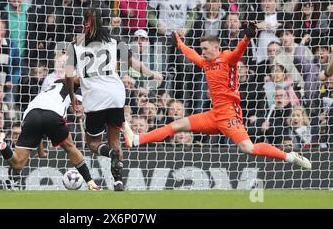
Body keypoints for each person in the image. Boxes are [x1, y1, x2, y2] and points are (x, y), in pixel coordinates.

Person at [123, 26, 312, 170]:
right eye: (202, 49)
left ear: (215, 47)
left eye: (205, 49)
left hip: (229, 116)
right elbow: (192, 55)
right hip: (214, 115)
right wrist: (179, 42)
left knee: (249, 148)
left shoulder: (228, 58)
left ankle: (289, 156)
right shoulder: (206, 63)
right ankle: (137, 139)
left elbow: (239, 50)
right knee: (177, 125)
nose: (203, 53)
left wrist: (247, 37)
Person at [65, 8, 163, 191]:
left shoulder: (74, 45)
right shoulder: (116, 42)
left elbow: (69, 75)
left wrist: (73, 99)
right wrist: (152, 73)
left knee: (93, 143)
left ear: (86, 23)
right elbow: (134, 63)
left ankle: (110, 154)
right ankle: (118, 181)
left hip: (95, 97)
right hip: (117, 95)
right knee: (115, 140)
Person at [0, 79, 100, 191]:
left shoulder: (49, 90)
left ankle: (3, 145)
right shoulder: (69, 84)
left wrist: (40, 152)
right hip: (53, 112)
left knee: (18, 164)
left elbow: (40, 129)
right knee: (70, 148)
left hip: (31, 114)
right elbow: (74, 79)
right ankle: (91, 182)